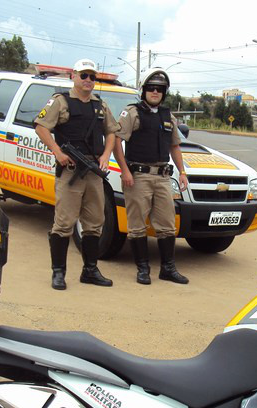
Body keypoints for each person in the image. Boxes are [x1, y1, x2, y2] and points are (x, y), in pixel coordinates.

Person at [34, 59, 119, 290]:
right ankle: (58, 273)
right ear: (74, 76)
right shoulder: (61, 101)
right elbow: (41, 126)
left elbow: (111, 132)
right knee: (63, 223)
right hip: (70, 171)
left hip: (93, 171)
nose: (89, 80)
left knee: (94, 223)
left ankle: (90, 270)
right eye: (84, 75)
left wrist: (106, 156)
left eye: (92, 76)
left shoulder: (100, 105)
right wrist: (58, 152)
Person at [113, 67, 189, 285]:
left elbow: (175, 145)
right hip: (138, 177)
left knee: (167, 225)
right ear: (144, 90)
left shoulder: (168, 116)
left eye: (160, 89)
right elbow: (117, 140)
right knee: (137, 225)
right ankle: (143, 269)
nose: (155, 92)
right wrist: (124, 170)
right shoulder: (132, 112)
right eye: (151, 88)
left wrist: (182, 172)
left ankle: (168, 268)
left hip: (163, 177)